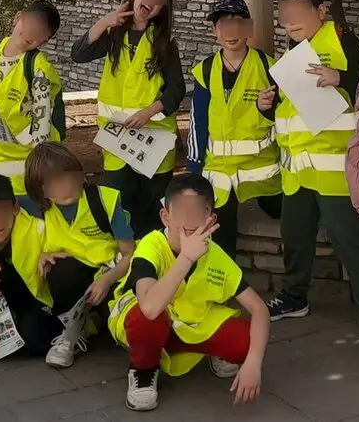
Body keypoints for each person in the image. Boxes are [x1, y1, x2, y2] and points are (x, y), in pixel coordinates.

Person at [260, 0, 359, 359]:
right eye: (285, 16)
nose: (290, 22)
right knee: (295, 237)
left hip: (337, 171)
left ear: (320, 11)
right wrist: (266, 104)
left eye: (299, 13)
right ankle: (293, 296)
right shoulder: (292, 51)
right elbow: (285, 107)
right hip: (298, 172)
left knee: (352, 244)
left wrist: (342, 78)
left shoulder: (344, 41)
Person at [106, 174, 270, 412]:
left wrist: (253, 363)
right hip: (150, 322)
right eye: (182, 211)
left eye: (199, 210)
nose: (190, 219)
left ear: (210, 218)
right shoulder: (151, 246)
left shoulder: (215, 254)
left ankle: (206, 350)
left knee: (245, 342)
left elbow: (259, 309)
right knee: (145, 320)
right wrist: (186, 257)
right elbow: (150, 307)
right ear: (166, 216)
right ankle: (143, 370)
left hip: (191, 324)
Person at [73, 0, 186, 238]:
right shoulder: (114, 35)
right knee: (115, 204)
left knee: (152, 211)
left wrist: (149, 112)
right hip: (117, 139)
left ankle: (151, 264)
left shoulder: (164, 43)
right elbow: (78, 54)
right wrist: (105, 22)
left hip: (154, 142)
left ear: (163, 10)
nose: (150, 5)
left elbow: (176, 89)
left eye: (159, 2)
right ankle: (121, 261)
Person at [21, 141, 136, 368]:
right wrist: (43, 254)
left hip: (113, 273)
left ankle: (101, 320)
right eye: (51, 184)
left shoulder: (105, 201)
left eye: (66, 178)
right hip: (75, 275)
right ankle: (72, 332)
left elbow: (129, 254)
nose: (62, 188)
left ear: (80, 176)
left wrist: (106, 280)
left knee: (123, 332)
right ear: (39, 189)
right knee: (59, 270)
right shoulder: (42, 207)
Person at [187, 0, 282, 257]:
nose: (232, 32)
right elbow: (198, 122)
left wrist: (270, 108)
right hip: (220, 173)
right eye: (224, 25)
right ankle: (223, 289)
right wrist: (194, 170)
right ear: (214, 31)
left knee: (284, 213)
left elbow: (285, 116)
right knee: (220, 238)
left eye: (238, 24)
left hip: (263, 172)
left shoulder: (267, 66)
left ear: (248, 28)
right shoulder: (205, 71)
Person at [0, 1, 64, 194]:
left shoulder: (38, 68)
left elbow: (42, 125)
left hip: (21, 178)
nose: (31, 35)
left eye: (40, 33)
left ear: (46, 40)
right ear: (18, 17)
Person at [0, 171, 62, 359]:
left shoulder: (39, 230)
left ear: (15, 208)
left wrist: (49, 253)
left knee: (33, 338)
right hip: (3, 306)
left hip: (40, 299)